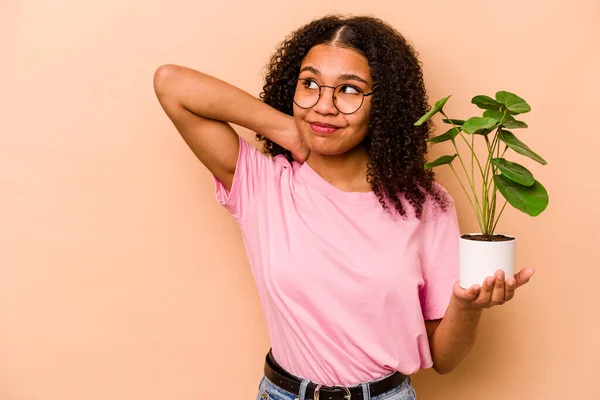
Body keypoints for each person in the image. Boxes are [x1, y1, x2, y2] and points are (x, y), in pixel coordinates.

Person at [153, 14, 535, 400]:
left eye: (349, 90)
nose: (325, 105)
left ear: (384, 104)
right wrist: (289, 129)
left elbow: (445, 359)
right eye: (310, 84)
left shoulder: (426, 204)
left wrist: (467, 306)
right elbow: (172, 83)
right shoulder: (264, 185)